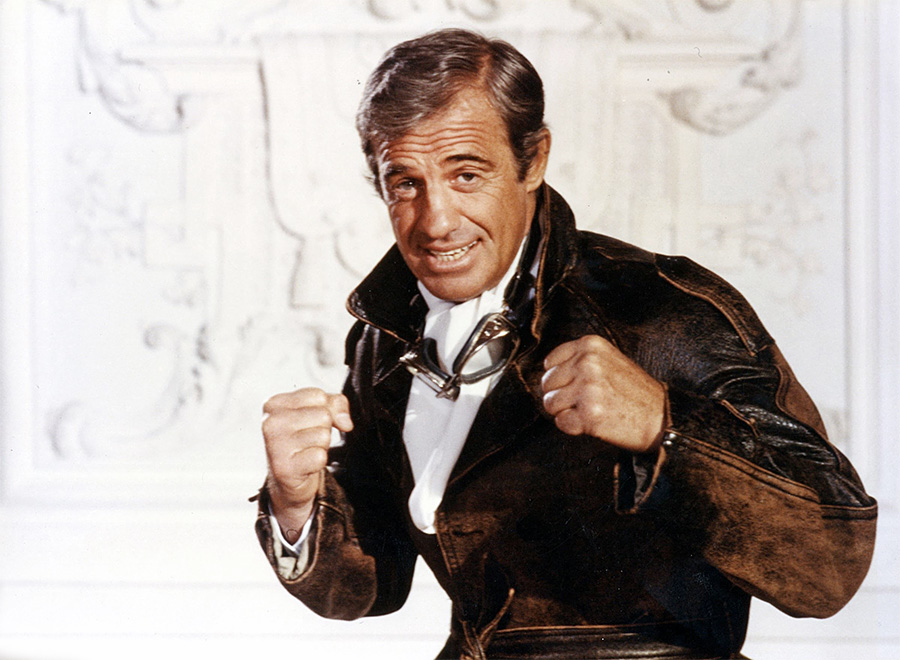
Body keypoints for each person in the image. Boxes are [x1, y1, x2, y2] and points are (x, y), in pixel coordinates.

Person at [254, 28, 877, 660]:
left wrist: (665, 428)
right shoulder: (384, 336)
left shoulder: (660, 307)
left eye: (466, 174)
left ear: (533, 161)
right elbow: (371, 583)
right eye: (405, 182)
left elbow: (831, 565)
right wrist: (296, 502)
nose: (436, 221)